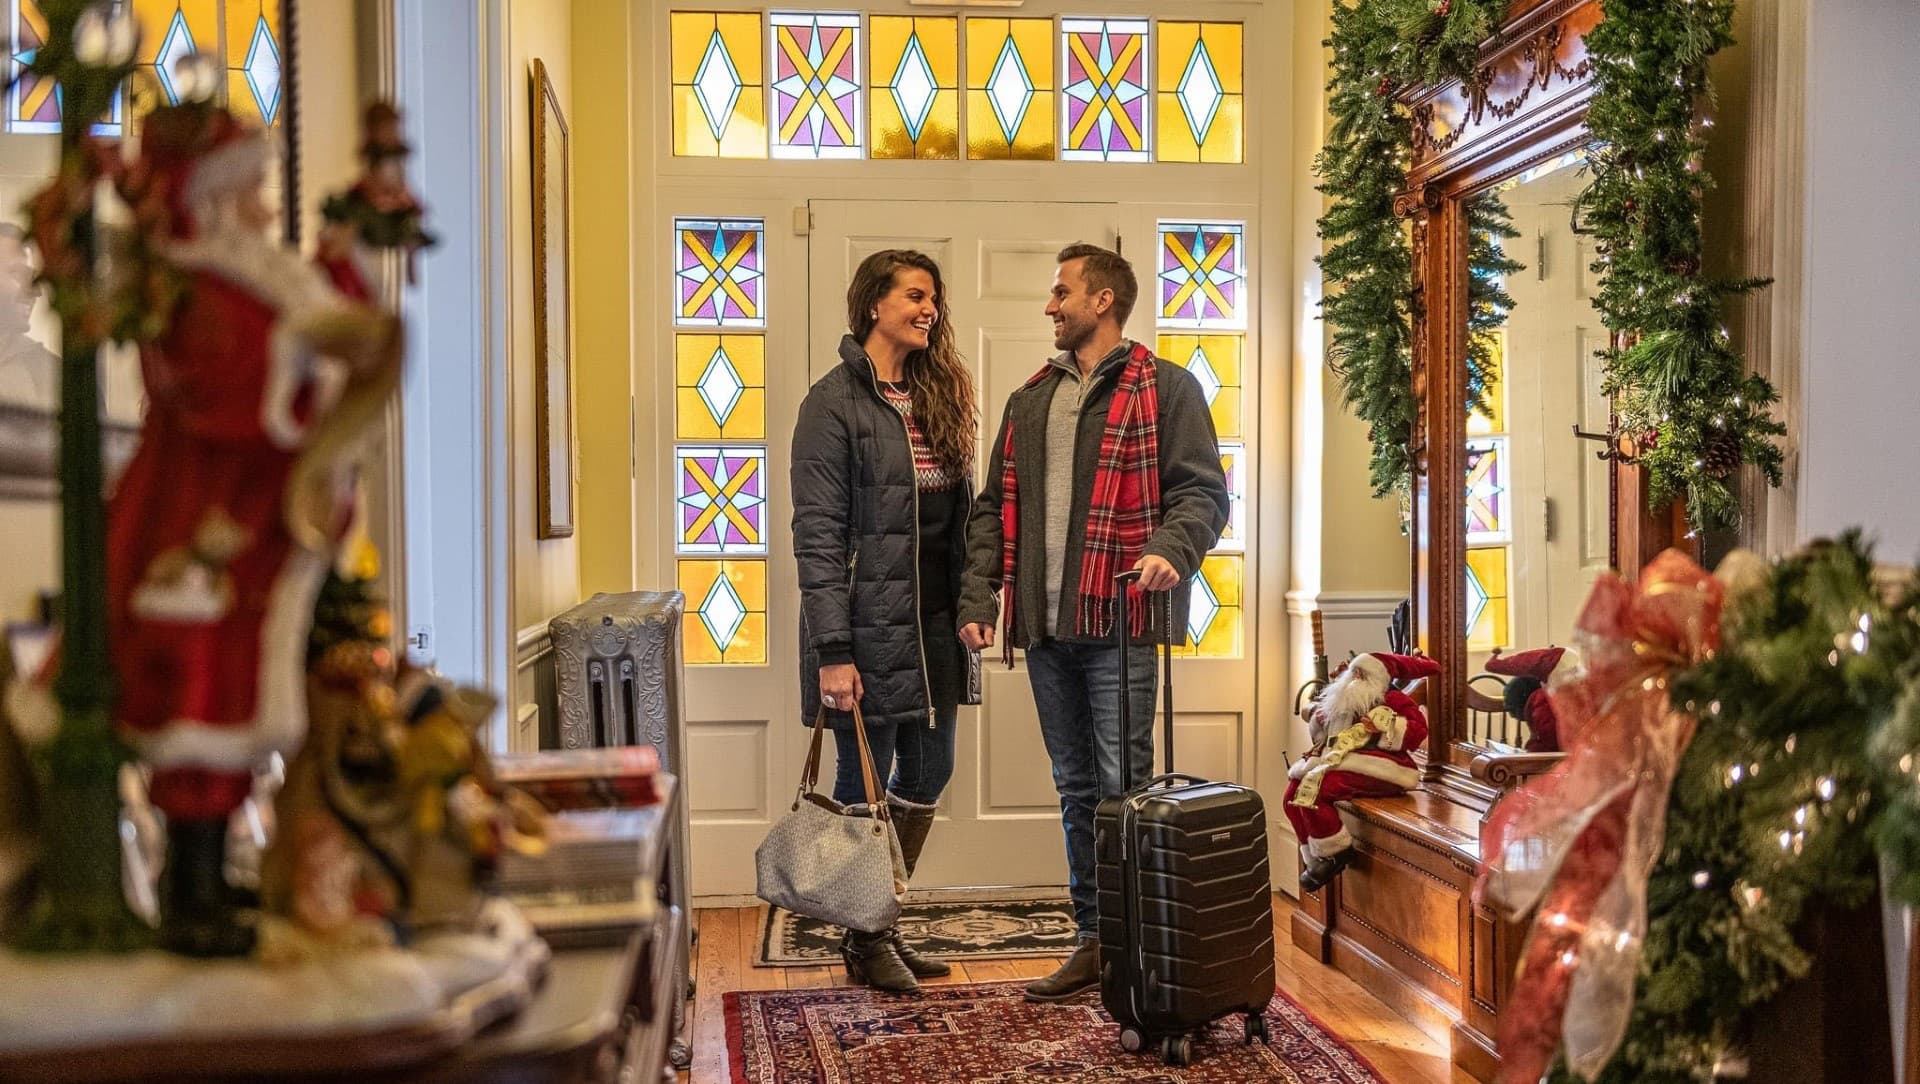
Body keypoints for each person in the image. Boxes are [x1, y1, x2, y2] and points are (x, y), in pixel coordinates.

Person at [7, 102, 401, 956]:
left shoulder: (234, 271)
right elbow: (222, 385)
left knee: (227, 700)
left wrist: (345, 272)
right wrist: (301, 348)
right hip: (199, 524)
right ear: (211, 197)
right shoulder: (187, 286)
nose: (264, 208)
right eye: (251, 189)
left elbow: (311, 339)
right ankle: (189, 895)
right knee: (195, 700)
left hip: (243, 522)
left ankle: (209, 874)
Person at [957, 243, 1229, 1002]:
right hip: (1046, 627)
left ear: (1102, 301)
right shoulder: (1030, 399)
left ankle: (1143, 947)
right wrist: (980, 600)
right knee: (1077, 789)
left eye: (1062, 292)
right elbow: (989, 513)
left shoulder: (1167, 389)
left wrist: (1173, 550)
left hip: (1123, 627)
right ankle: (1095, 941)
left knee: (1124, 787)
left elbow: (1203, 496)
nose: (1051, 306)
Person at [790, 249, 978, 992]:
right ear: (875, 304)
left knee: (931, 770)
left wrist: (973, 607)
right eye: (915, 295)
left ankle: (877, 927)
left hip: (934, 627)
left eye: (934, 298)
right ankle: (868, 940)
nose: (929, 309)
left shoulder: (933, 396)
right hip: (865, 631)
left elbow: (959, 523)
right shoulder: (832, 403)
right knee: (861, 786)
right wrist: (832, 650)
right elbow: (818, 534)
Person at [1286, 651, 1441, 891]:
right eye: (1354, 672)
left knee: (1317, 790)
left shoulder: (1393, 699)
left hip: (1382, 767)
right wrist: (1321, 719)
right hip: (1343, 760)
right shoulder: (1347, 699)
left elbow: (1418, 732)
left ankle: (1335, 854)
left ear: (1377, 677)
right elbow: (1324, 733)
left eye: (1362, 673)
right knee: (1291, 795)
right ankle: (1314, 856)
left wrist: (1381, 727)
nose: (1355, 676)